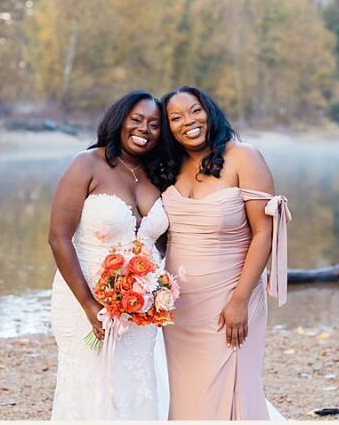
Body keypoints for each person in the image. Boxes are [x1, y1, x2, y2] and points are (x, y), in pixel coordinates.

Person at [158, 85, 289, 420]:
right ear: (167, 126)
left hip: (229, 299)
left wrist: (240, 300)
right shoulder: (168, 166)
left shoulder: (243, 157)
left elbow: (264, 233)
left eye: (195, 110)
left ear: (210, 111)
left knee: (232, 391)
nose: (189, 121)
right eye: (176, 117)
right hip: (179, 307)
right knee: (186, 397)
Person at [47, 90, 175, 419]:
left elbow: (166, 244)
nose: (144, 129)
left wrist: (158, 289)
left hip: (141, 304)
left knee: (136, 379)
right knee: (90, 383)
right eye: (136, 120)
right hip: (85, 296)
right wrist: (90, 306)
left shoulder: (157, 175)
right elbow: (59, 238)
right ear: (119, 121)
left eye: (154, 124)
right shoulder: (87, 164)